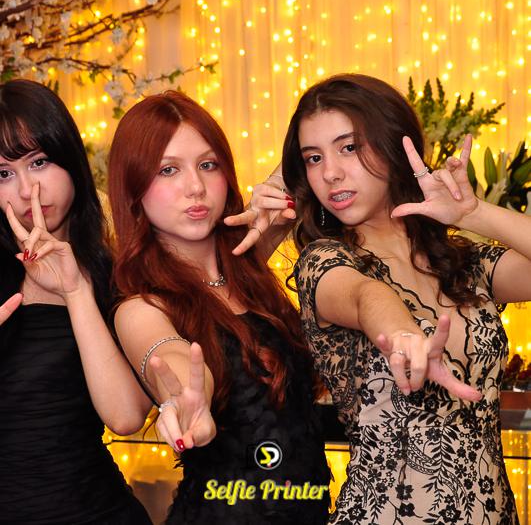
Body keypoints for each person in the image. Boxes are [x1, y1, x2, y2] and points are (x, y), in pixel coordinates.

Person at [261, 73, 529, 524]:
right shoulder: (325, 261)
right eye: (313, 158)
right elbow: (365, 297)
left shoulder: (461, 262)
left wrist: (474, 212)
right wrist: (404, 334)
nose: (330, 172)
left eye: (349, 147)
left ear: (392, 144)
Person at [107, 90, 331, 524]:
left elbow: (309, 146)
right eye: (168, 170)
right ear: (134, 189)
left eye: (208, 165)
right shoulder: (141, 306)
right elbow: (169, 358)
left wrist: (273, 194)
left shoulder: (247, 264)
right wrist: (185, 400)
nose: (195, 186)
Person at [0, 80, 153, 524]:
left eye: (39, 162)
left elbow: (126, 417)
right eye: (3, 173)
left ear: (69, 159)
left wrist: (76, 290)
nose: (27, 189)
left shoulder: (120, 271)